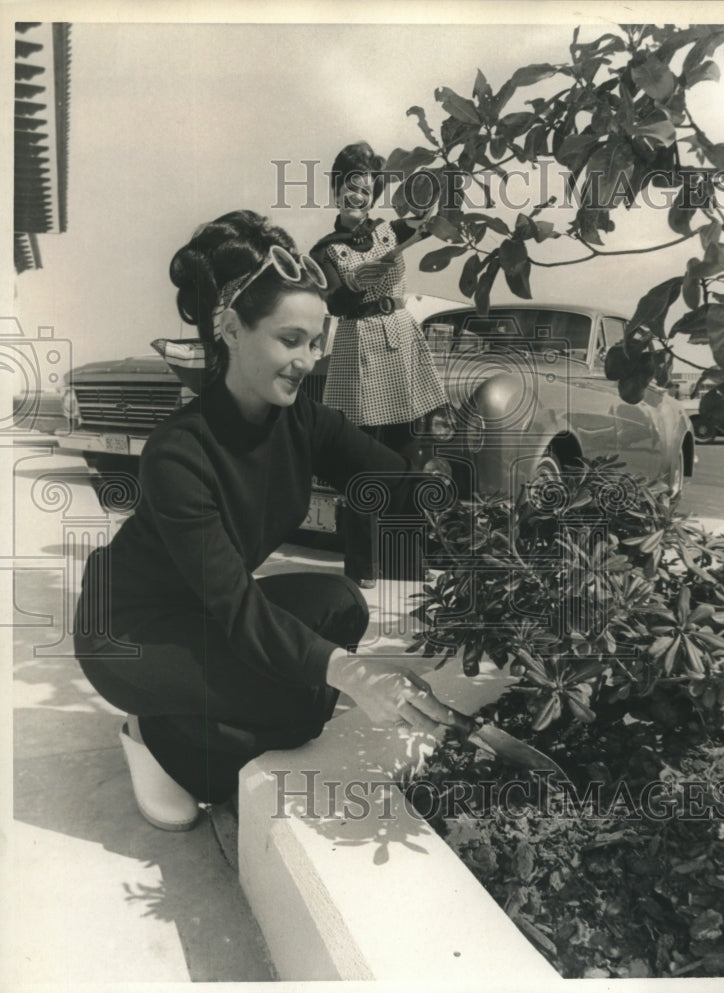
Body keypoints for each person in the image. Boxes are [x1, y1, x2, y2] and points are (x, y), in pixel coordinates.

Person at [72, 210, 455, 831]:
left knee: (339, 608)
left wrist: (505, 525)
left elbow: (398, 487)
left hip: (203, 615)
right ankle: (153, 737)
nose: (307, 360)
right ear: (231, 329)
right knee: (300, 704)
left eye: (316, 341)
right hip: (128, 629)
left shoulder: (303, 418)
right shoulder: (179, 452)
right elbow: (236, 607)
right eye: (288, 339)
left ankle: (200, 712)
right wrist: (353, 674)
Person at [310, 141, 447, 588]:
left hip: (401, 338)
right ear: (336, 191)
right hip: (357, 345)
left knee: (408, 454)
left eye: (367, 190)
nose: (358, 197)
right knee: (361, 459)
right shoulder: (325, 250)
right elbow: (338, 298)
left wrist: (436, 183)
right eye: (350, 188)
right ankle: (364, 566)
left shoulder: (391, 230)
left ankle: (407, 561)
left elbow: (427, 215)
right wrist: (369, 269)